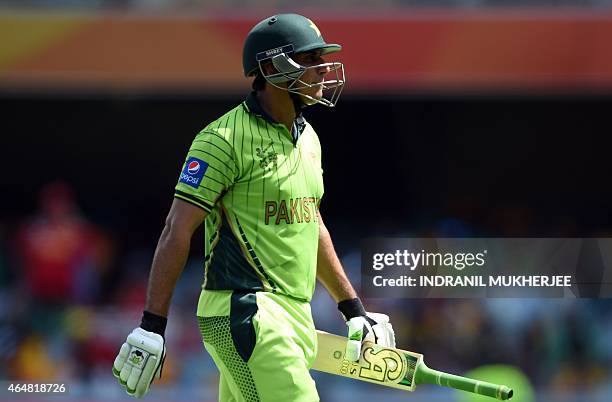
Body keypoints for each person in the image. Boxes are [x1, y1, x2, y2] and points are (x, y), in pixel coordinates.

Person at [112, 13, 395, 401]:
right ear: (269, 67)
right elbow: (176, 229)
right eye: (308, 60)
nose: (320, 71)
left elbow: (310, 223)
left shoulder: (309, 138)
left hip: (296, 314)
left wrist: (353, 309)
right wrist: (151, 324)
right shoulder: (222, 139)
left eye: (320, 61)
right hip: (245, 310)